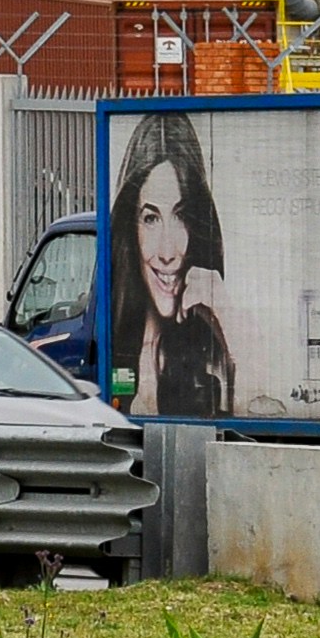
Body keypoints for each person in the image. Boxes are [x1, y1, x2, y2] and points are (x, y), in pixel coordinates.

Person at [107, 111, 237, 416]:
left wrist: (227, 318)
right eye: (151, 218)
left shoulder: (216, 343)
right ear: (131, 228)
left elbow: (254, 422)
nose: (168, 252)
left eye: (181, 216)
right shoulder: (112, 341)